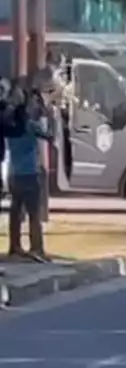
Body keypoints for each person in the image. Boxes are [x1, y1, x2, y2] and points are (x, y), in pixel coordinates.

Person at [6, 85, 53, 263]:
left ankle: (15, 246)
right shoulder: (30, 125)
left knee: (15, 212)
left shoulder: (9, 126)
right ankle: (36, 248)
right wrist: (47, 114)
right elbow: (49, 136)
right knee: (34, 213)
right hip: (29, 174)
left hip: (14, 174)